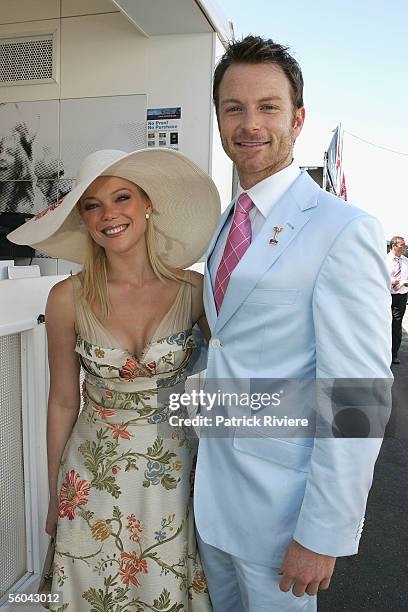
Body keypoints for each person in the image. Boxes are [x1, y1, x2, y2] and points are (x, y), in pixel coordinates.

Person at [193, 36, 392, 611]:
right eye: (234, 108)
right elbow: (226, 349)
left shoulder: (342, 229)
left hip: (285, 518)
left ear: (298, 117)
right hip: (213, 503)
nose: (249, 123)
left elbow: (360, 395)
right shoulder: (226, 221)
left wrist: (323, 533)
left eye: (268, 107)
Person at [8, 147, 220, 611]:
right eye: (92, 205)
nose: (109, 214)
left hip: (176, 474)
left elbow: (230, 380)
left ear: (147, 204)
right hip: (92, 478)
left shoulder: (195, 291)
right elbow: (63, 401)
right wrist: (54, 496)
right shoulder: (66, 298)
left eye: (121, 197)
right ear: (83, 219)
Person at [386, 236, 408, 364]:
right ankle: (382, 353)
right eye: (402, 245)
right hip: (386, 296)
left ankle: (393, 354)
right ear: (394, 246)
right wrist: (390, 281)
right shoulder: (383, 260)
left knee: (396, 325)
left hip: (400, 297)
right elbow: (376, 278)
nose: (405, 247)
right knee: (384, 324)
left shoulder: (406, 261)